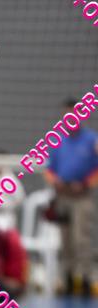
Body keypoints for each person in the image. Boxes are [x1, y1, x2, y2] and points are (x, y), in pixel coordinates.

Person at [44, 99, 98, 297]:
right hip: (63, 197)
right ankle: (66, 277)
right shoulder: (57, 140)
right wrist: (56, 182)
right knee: (65, 238)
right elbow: (49, 170)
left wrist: (85, 184)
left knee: (81, 238)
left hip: (82, 197)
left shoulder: (92, 140)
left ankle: (85, 278)